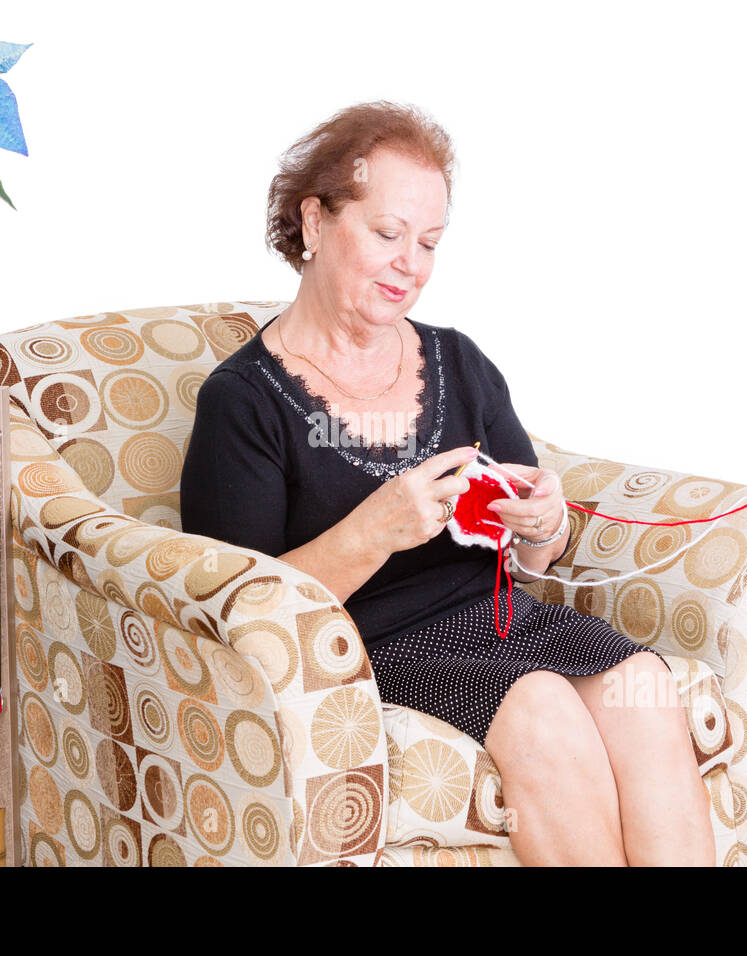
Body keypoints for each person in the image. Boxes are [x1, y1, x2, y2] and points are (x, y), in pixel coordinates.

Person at [180, 100, 713, 866]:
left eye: (428, 243)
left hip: (497, 619)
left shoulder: (458, 362)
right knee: (541, 708)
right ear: (314, 222)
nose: (411, 263)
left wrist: (542, 527)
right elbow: (239, 606)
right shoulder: (245, 402)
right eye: (388, 234)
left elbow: (531, 556)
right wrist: (374, 531)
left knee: (643, 688)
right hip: (370, 645)